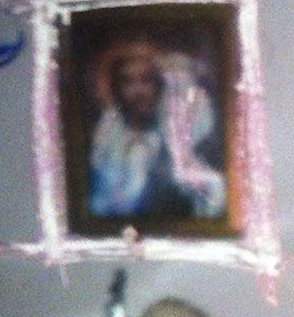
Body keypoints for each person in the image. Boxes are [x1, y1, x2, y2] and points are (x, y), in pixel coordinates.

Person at [88, 31, 227, 220]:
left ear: (158, 85)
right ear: (116, 88)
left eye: (146, 80)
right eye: (128, 82)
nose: (139, 91)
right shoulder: (107, 142)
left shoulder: (172, 140)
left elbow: (212, 197)